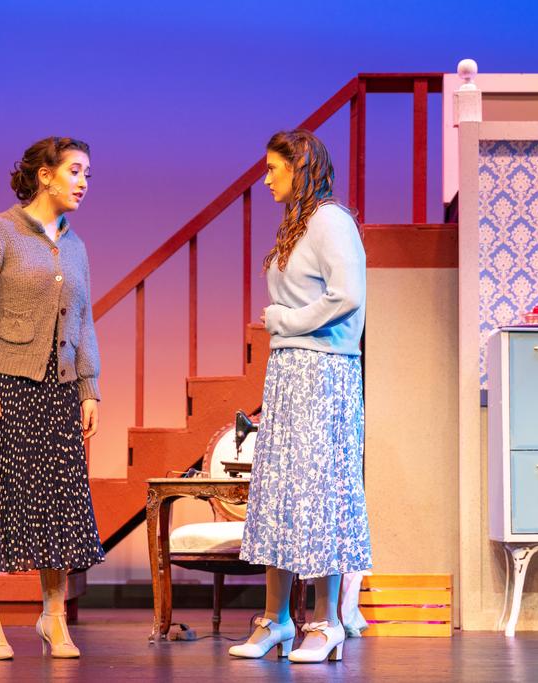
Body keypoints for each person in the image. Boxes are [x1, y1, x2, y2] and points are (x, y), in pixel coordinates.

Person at [0, 136, 104, 660]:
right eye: (75, 171)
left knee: (58, 503)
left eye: (87, 174)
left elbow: (83, 320)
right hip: (3, 386)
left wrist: (88, 387)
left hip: (59, 390)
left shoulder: (76, 246)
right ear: (45, 175)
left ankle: (53, 617)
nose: (83, 182)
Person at [229, 129, 372, 664]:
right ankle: (277, 620)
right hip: (290, 370)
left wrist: (285, 321)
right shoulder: (299, 222)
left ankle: (327, 621)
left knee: (320, 489)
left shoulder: (332, 221)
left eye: (273, 168)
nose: (266, 178)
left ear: (300, 166)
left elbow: (347, 296)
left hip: (324, 371)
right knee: (282, 490)